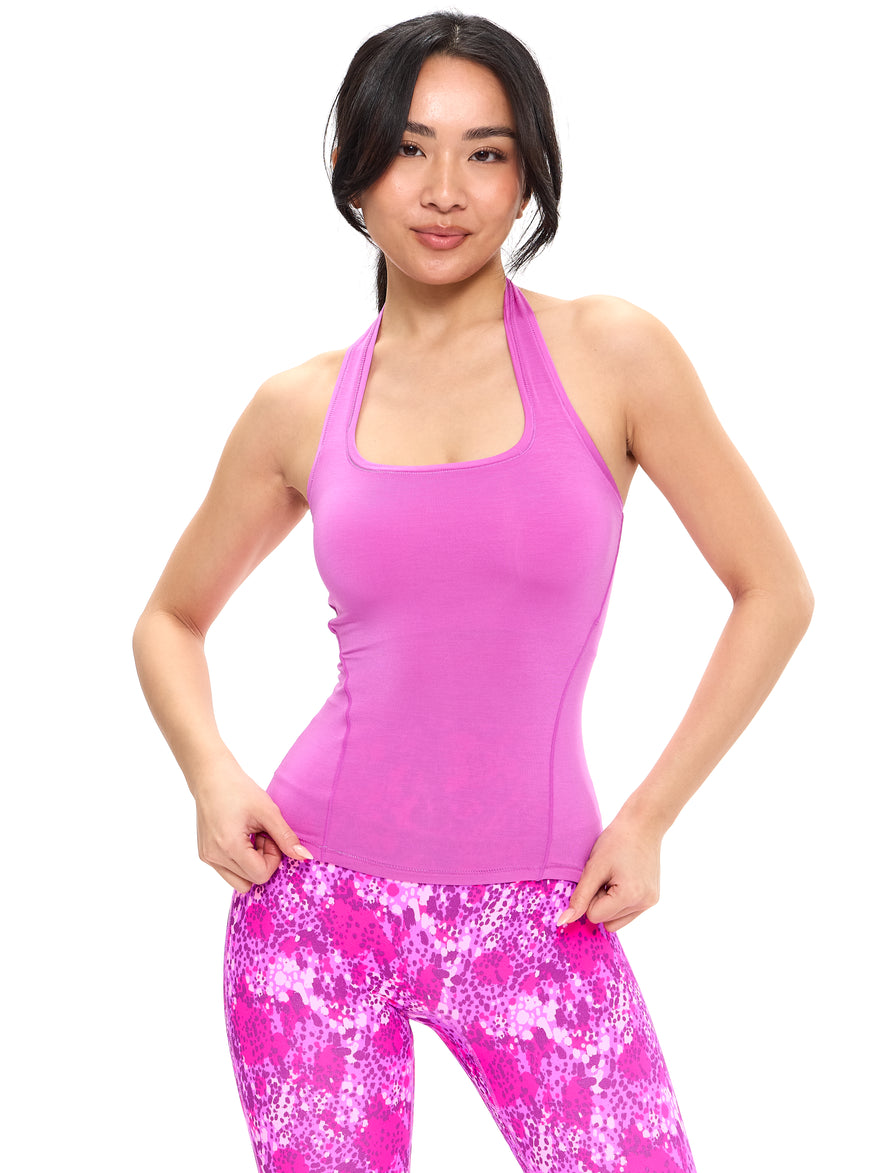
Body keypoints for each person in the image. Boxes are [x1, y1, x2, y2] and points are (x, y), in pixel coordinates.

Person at [133, 11, 813, 1173]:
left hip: (541, 911)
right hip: (313, 907)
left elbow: (774, 591)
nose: (444, 190)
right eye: (408, 148)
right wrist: (209, 772)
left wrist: (648, 817)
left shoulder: (612, 354)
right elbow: (169, 618)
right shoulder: (299, 406)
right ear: (352, 167)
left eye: (484, 153)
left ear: (528, 173)